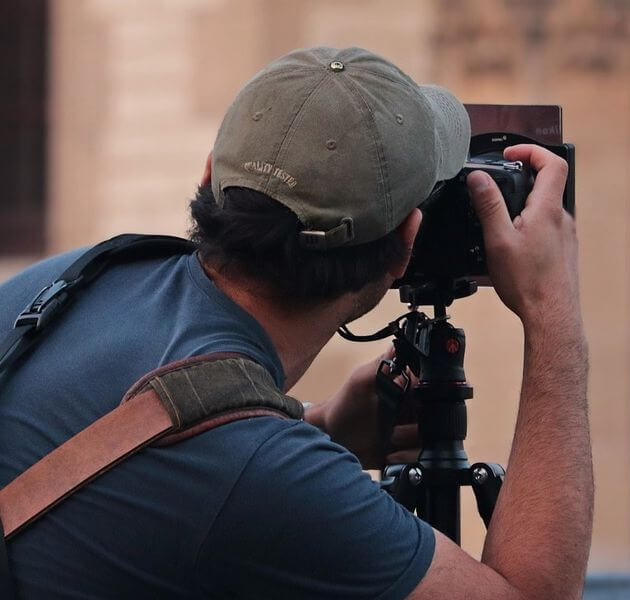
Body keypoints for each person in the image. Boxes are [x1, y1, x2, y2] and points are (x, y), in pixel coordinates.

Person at [0, 47, 591, 599]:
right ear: (404, 243)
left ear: (210, 177)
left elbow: (162, 472)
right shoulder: (259, 471)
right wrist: (550, 309)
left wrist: (323, 428)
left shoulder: (75, 280)